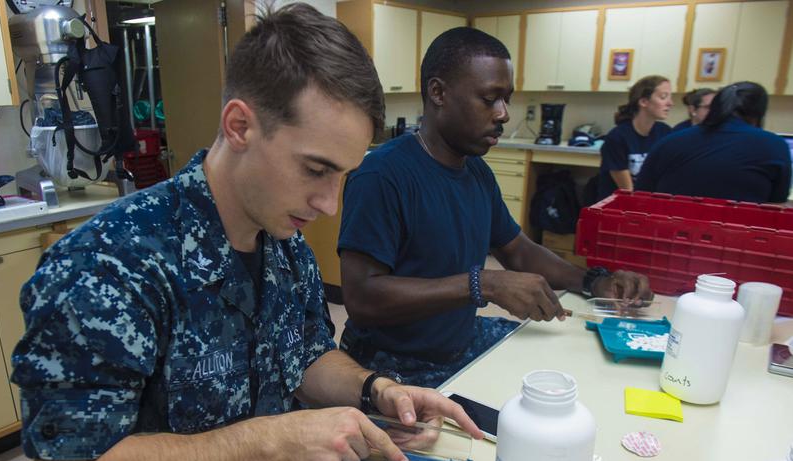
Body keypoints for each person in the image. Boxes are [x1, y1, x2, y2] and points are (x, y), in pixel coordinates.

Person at [10, 5, 482, 461]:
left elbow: (305, 357)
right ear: (239, 126)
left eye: (343, 176)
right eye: (314, 170)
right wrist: (274, 439)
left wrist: (377, 391)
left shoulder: (285, 246)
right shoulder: (108, 264)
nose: (330, 203)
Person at [337, 27, 652, 389]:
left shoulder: (476, 171)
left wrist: (594, 280)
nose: (503, 114)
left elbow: (517, 249)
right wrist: (482, 283)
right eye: (490, 99)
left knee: (576, 369)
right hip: (392, 365)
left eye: (507, 99)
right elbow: (361, 297)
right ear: (438, 92)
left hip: (461, 340)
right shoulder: (383, 175)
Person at [636, 81, 791, 203]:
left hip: (670, 234)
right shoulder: (774, 146)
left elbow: (640, 195)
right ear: (759, 113)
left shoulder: (670, 141)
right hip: (737, 237)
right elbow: (775, 206)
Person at [597, 75, 674, 201]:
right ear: (643, 101)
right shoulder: (617, 137)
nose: (670, 103)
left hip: (648, 203)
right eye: (663, 97)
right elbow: (628, 191)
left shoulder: (665, 132)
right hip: (618, 207)